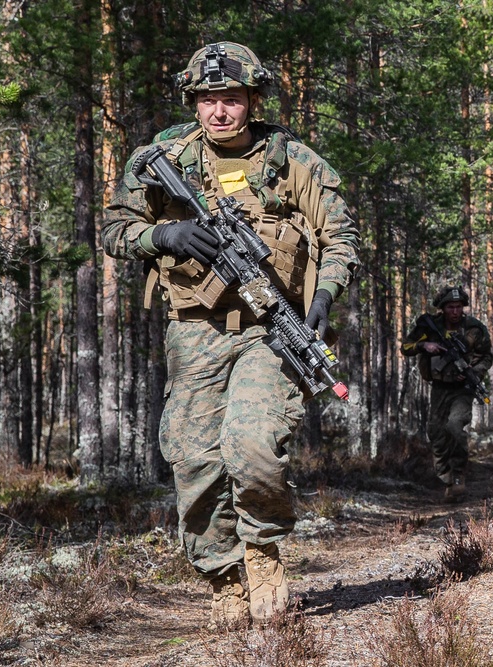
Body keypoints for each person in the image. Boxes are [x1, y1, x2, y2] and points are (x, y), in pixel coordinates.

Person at [101, 42, 360, 628]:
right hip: (193, 332)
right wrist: (164, 238)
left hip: (270, 330)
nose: (220, 111)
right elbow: (115, 228)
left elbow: (340, 238)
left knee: (253, 444)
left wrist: (321, 299)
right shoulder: (164, 157)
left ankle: (262, 551)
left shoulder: (292, 161)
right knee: (193, 461)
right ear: (195, 102)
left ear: (253, 100)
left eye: (233, 99)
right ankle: (223, 576)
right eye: (209, 99)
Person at [401, 286, 493, 502]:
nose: (455, 311)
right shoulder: (430, 326)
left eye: (458, 307)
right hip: (439, 387)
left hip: (463, 389)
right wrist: (425, 345)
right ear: (442, 308)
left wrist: (474, 373)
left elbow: (486, 357)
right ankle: (446, 477)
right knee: (436, 432)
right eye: (450, 307)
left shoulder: (474, 328)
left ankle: (458, 476)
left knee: (455, 426)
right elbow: (406, 347)